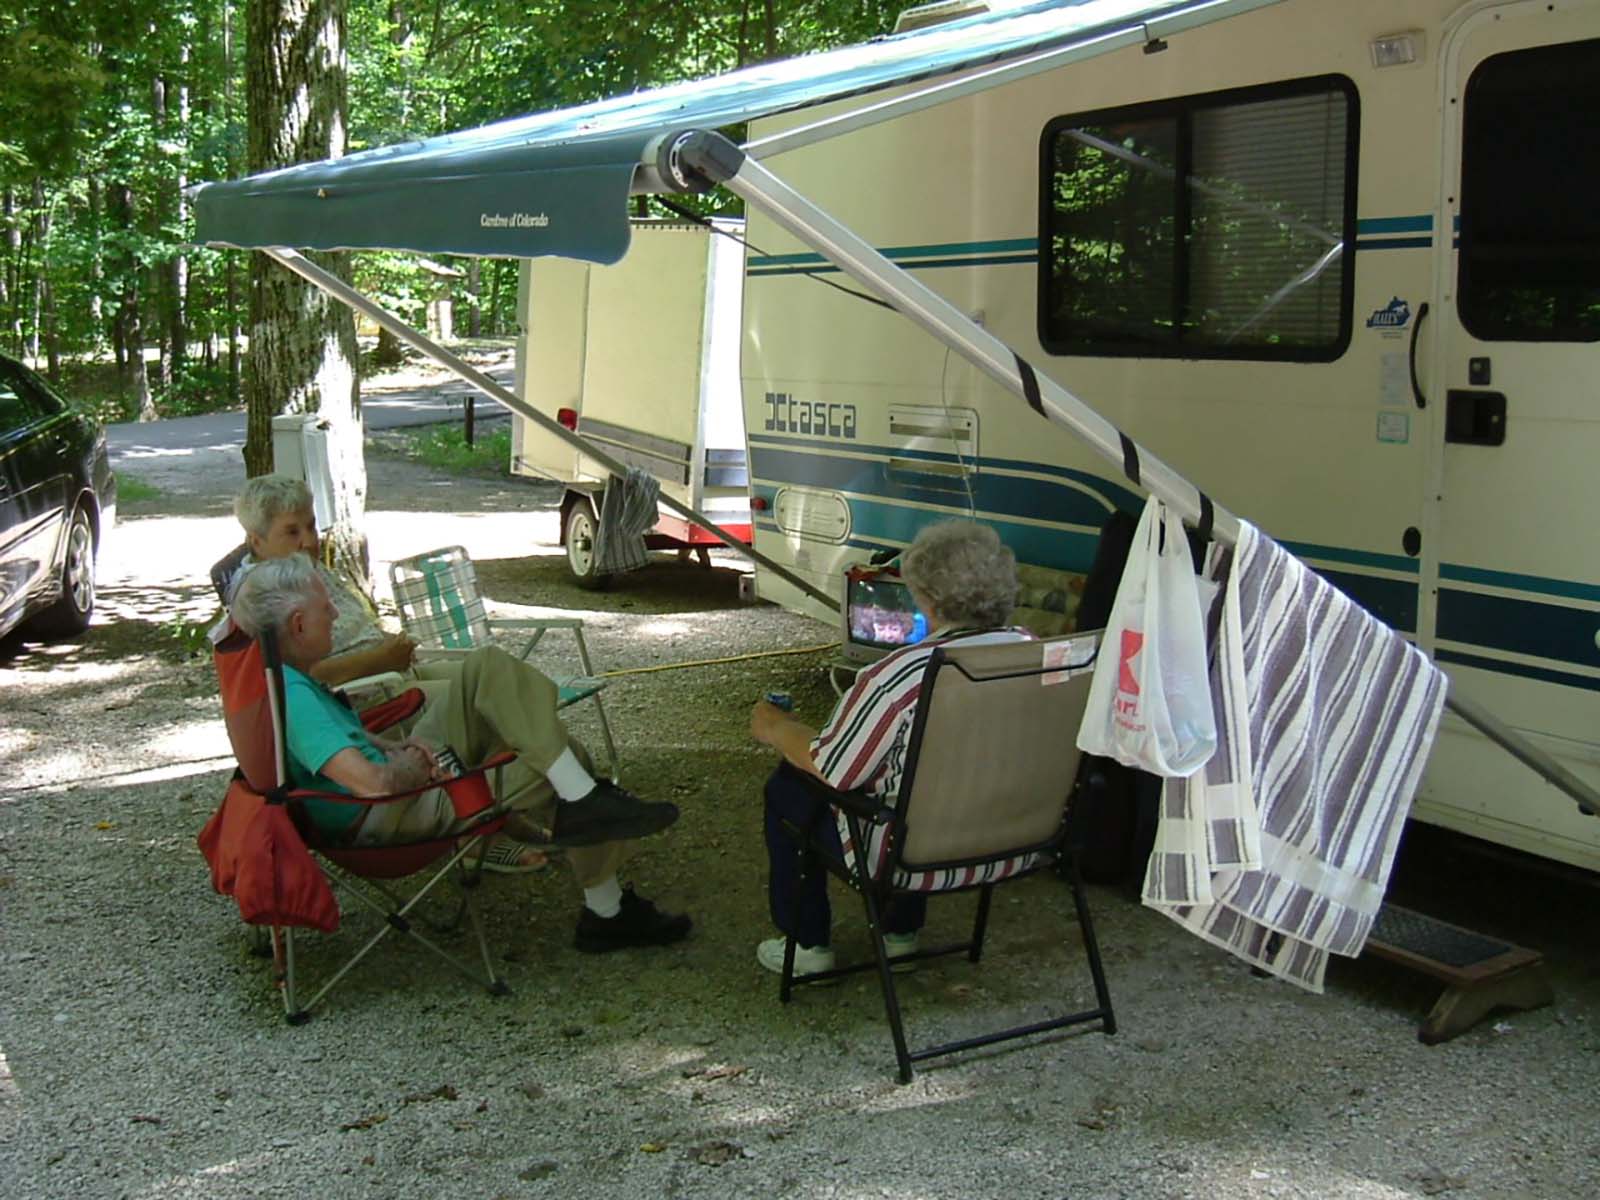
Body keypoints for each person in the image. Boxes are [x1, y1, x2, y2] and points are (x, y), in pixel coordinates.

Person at [230, 553, 692, 953]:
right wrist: (410, 765)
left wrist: (397, 745)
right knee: (556, 759)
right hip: (387, 813)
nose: (333, 611)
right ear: (297, 624)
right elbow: (371, 784)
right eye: (323, 605)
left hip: (395, 786)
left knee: (484, 667)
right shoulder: (295, 697)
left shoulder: (285, 677)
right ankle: (605, 903)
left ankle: (587, 812)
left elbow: (349, 746)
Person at [748, 520, 1031, 975]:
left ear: (925, 597)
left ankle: (808, 947)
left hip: (915, 857)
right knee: (924, 784)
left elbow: (835, 767)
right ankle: (899, 935)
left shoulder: (899, 677)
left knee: (790, 787)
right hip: (1019, 843)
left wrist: (776, 727)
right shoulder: (1041, 657)